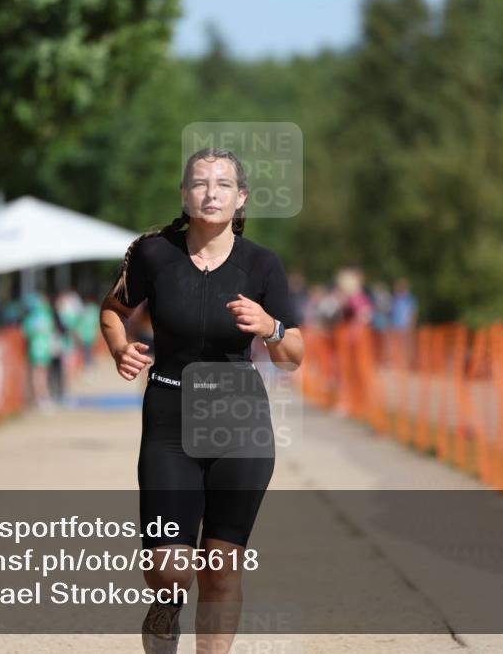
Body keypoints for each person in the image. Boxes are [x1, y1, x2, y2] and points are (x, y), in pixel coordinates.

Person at [100, 147, 304, 654]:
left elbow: (293, 355)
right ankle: (166, 603)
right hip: (170, 420)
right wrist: (121, 348)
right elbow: (112, 310)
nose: (210, 193)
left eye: (222, 185)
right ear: (184, 194)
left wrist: (272, 327)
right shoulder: (153, 253)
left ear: (241, 199)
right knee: (168, 569)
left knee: (220, 567)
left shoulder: (262, 265)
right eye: (199, 183)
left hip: (241, 421)